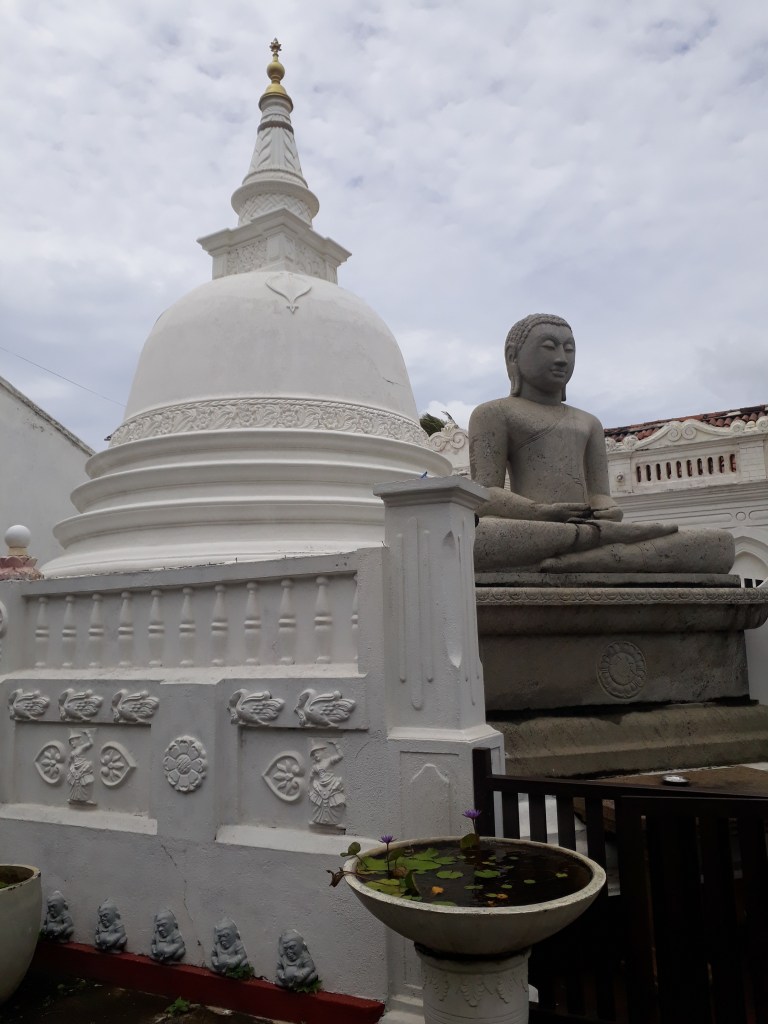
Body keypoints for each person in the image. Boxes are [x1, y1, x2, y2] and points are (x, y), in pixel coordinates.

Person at [469, 314, 734, 573]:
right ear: (513, 356)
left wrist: (606, 508)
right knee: (480, 539)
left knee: (719, 544)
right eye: (549, 348)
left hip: (589, 529)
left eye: (569, 350)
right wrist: (541, 512)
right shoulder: (494, 413)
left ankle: (597, 557)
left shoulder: (588, 422)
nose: (562, 359)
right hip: (537, 529)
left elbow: (599, 493)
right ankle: (611, 558)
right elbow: (484, 495)